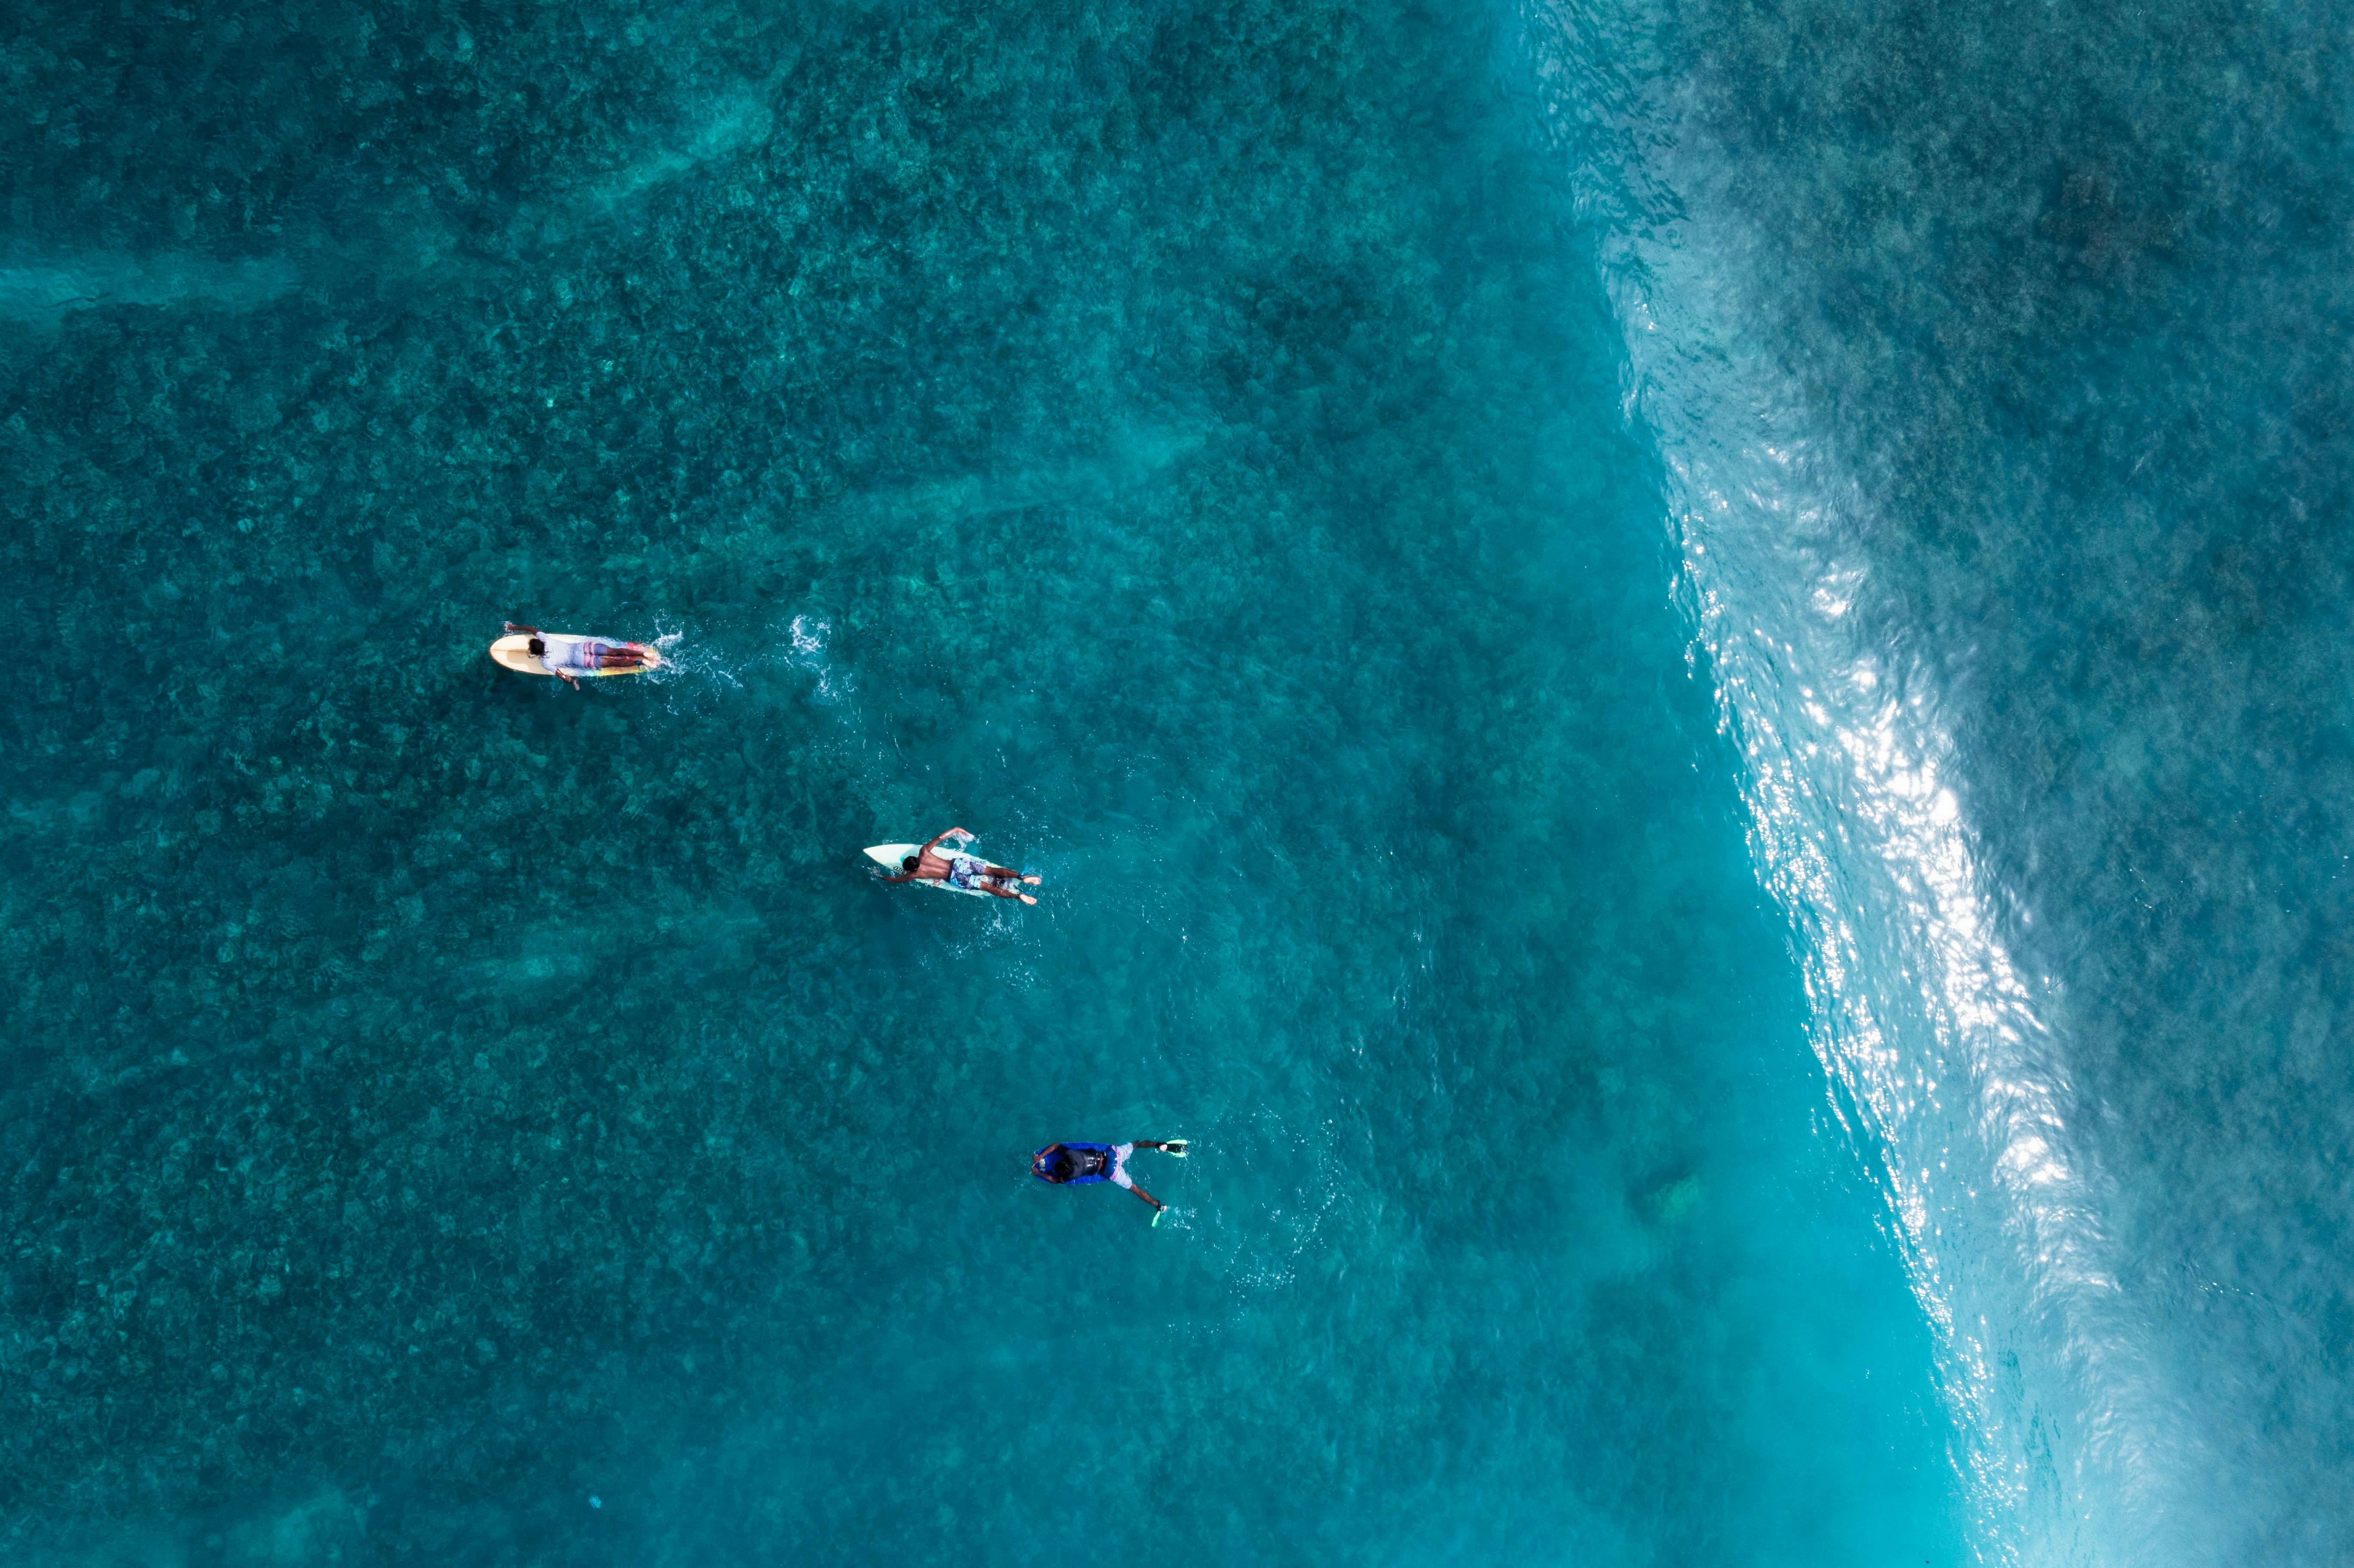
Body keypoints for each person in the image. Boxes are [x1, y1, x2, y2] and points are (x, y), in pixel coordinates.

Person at [1032, 1139, 1189, 1223]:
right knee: (1136, 1145)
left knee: (1134, 1189)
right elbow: (1056, 1146)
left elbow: (1056, 1180)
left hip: (1112, 1172)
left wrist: (1038, 1172)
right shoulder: (1072, 1154)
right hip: (1114, 1154)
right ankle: (1159, 1145)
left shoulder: (1074, 1174)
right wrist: (1041, 1156)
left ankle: (1158, 1206)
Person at [884, 826, 1041, 905]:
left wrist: (881, 876)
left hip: (955, 878)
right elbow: (941, 837)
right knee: (992, 871)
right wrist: (956, 829)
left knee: (986, 887)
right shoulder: (924, 852)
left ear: (912, 869)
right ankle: (1022, 877)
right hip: (960, 865)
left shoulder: (915, 875)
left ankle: (1017, 897)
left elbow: (896, 880)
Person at [505, 622, 654, 689]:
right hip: (584, 647)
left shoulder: (546, 663)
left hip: (582, 661)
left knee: (613, 663)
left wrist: (573, 682)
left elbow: (564, 677)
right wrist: (513, 627)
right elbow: (531, 628)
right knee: (614, 652)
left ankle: (640, 663)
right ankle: (642, 654)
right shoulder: (546, 639)